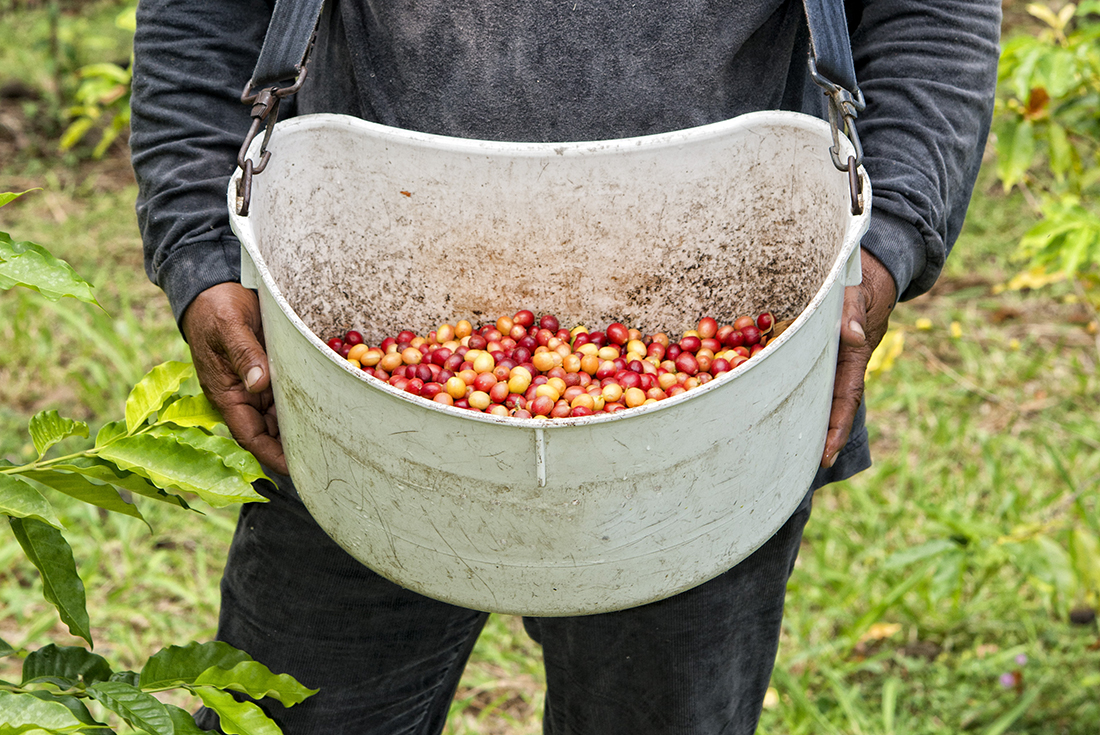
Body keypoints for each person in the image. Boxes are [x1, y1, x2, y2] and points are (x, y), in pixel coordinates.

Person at [130, 1, 1001, 732]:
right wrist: (199, 248)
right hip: (351, 369)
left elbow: (931, 11)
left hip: (713, 414)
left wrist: (884, 243)